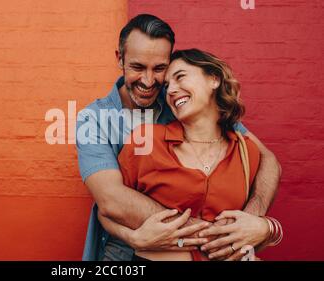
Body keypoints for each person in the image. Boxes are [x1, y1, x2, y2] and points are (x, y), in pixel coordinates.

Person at [76, 14, 281, 261]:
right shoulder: (94, 119)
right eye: (138, 67)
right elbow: (111, 200)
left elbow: (267, 160)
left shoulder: (184, 102)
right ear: (120, 59)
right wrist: (218, 236)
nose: (149, 81)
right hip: (124, 251)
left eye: (160, 68)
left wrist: (252, 222)